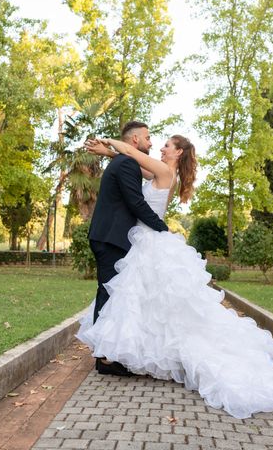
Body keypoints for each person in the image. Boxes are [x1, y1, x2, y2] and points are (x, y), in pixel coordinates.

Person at [77, 133, 273, 419]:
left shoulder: (165, 170)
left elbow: (130, 154)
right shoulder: (160, 168)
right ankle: (125, 352)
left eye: (167, 145)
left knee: (138, 297)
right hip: (144, 237)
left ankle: (122, 352)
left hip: (149, 236)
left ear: (178, 153)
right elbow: (133, 160)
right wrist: (109, 154)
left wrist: (109, 142)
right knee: (144, 300)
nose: (160, 146)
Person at [87, 121, 169, 377]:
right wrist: (162, 228)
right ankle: (105, 359)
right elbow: (136, 202)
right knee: (109, 295)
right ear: (134, 140)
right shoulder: (127, 164)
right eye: (147, 137)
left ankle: (107, 354)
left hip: (110, 236)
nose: (151, 142)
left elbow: (142, 179)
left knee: (111, 294)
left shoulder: (126, 162)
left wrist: (109, 150)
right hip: (110, 238)